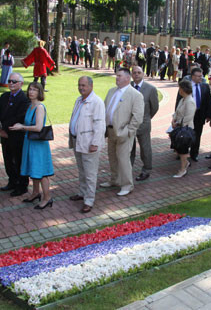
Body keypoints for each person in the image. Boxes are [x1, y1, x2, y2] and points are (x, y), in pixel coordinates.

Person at [9, 82, 54, 210]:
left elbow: (39, 127)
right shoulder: (30, 106)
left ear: (39, 92)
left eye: (34, 90)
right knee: (33, 170)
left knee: (41, 172)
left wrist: (22, 127)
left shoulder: (39, 107)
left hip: (38, 144)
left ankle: (47, 197)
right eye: (30, 89)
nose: (31, 92)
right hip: (30, 141)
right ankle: (35, 193)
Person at [101, 68, 144, 196]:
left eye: (119, 76)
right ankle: (115, 180)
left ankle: (127, 185)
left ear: (127, 78)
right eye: (116, 76)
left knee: (124, 159)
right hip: (110, 131)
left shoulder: (135, 95)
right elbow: (105, 109)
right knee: (112, 157)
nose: (117, 78)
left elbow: (137, 117)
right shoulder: (111, 91)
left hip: (124, 133)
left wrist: (128, 131)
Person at [68, 76, 106, 213]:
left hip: (89, 143)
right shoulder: (79, 100)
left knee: (90, 174)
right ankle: (82, 192)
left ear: (91, 86)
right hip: (77, 141)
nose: (81, 88)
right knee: (82, 170)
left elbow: (100, 125)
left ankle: (89, 200)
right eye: (79, 85)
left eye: (84, 85)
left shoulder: (97, 102)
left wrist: (95, 143)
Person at [0, 72, 30, 197]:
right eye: (9, 81)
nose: (10, 83)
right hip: (4, 135)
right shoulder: (4, 96)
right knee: (8, 160)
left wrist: (4, 127)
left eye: (14, 81)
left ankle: (22, 185)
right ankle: (12, 181)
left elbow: (19, 116)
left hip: (16, 136)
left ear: (21, 83)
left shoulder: (25, 99)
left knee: (18, 161)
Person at [176, 67, 211, 162]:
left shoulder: (205, 86)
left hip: (200, 114)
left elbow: (209, 101)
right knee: (185, 133)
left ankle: (194, 153)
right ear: (192, 76)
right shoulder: (186, 87)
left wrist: (208, 115)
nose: (201, 78)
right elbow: (179, 100)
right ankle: (183, 152)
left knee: (197, 134)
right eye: (198, 76)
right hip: (187, 114)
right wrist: (176, 115)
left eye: (201, 76)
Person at [130, 66, 159, 181]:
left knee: (145, 148)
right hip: (130, 124)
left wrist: (147, 117)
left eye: (139, 72)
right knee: (129, 149)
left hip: (144, 123)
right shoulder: (128, 86)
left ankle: (146, 170)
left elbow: (155, 107)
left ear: (143, 74)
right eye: (134, 73)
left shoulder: (150, 89)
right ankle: (127, 170)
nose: (136, 74)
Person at [171, 80, 196, 178]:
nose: (179, 90)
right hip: (179, 128)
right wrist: (173, 120)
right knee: (179, 149)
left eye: (180, 88)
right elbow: (177, 112)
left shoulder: (190, 101)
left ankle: (183, 169)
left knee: (183, 150)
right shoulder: (183, 99)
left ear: (183, 89)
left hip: (185, 130)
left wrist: (177, 123)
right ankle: (185, 163)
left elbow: (188, 117)